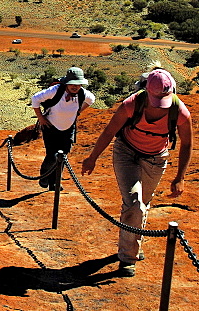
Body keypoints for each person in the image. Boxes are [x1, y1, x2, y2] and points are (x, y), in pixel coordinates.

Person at [81, 69, 192, 276]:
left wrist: (180, 177)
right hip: (127, 153)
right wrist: (92, 158)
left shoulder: (180, 111)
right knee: (134, 203)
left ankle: (133, 244)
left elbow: (187, 144)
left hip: (156, 158)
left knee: (143, 202)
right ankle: (128, 258)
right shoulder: (131, 104)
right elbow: (109, 132)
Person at [31, 67, 95, 190]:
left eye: (78, 84)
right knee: (52, 155)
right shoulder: (55, 90)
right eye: (72, 84)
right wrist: (41, 118)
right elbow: (35, 99)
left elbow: (91, 100)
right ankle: (44, 176)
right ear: (67, 82)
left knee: (63, 156)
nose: (75, 87)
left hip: (69, 128)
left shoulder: (83, 94)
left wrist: (77, 112)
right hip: (51, 127)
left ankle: (55, 182)